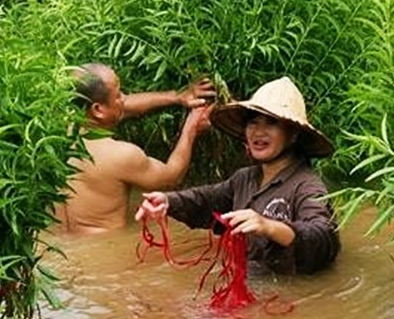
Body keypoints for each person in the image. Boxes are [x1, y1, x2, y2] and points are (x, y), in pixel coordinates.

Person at [135, 76, 340, 275]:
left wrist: (269, 226)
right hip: (248, 276)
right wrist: (168, 202)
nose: (259, 132)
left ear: (293, 134)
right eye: (253, 122)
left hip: (285, 295)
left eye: (271, 123)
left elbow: (324, 239)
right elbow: (206, 200)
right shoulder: (245, 178)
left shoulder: (307, 186)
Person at [55, 62, 214, 234]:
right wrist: (191, 128)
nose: (124, 98)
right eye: (118, 95)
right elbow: (171, 177)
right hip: (107, 248)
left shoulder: (58, 134)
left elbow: (125, 106)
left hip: (65, 246)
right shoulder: (120, 155)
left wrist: (177, 96)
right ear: (98, 109)